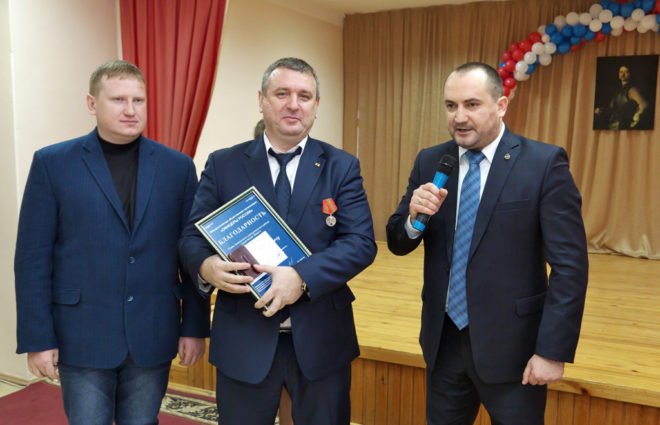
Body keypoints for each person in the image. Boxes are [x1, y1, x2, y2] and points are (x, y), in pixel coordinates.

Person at [386, 62, 588, 424]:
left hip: (515, 352)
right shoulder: (431, 160)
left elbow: (570, 266)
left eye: (472, 104)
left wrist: (552, 351)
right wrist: (414, 218)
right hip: (444, 343)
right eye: (451, 106)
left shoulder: (543, 164)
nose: (459, 117)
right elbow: (398, 242)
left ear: (501, 105)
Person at [179, 57, 377, 425]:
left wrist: (301, 277)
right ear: (262, 100)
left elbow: (361, 242)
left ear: (316, 105)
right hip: (244, 340)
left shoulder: (341, 166)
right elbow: (192, 236)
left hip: (321, 340)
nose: (294, 104)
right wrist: (206, 266)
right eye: (282, 93)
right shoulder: (224, 164)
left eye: (305, 96)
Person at [14, 60, 210, 425]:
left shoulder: (178, 168)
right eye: (119, 99)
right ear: (92, 103)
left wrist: (194, 327)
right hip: (81, 334)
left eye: (139, 100)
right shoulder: (53, 164)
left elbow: (192, 251)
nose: (131, 110)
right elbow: (32, 259)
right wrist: (37, 338)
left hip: (153, 332)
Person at [594, 65, 649, 130]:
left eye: (626, 72)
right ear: (618, 75)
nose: (623, 74)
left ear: (630, 74)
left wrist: (637, 116)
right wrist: (601, 110)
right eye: (621, 72)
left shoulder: (633, 90)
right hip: (615, 125)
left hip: (626, 126)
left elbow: (644, 105)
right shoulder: (617, 90)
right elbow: (612, 108)